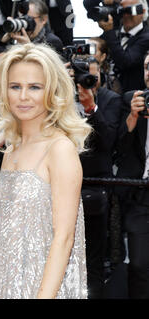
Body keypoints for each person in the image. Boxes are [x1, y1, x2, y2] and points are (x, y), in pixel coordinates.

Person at [0, 43, 91, 299]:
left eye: (34, 87)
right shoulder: (12, 149)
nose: (23, 96)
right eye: (15, 86)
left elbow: (64, 239)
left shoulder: (60, 149)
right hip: (1, 286)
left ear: (52, 91)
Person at [76, 57, 124, 298]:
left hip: (96, 187)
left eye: (92, 77)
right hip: (65, 183)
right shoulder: (61, 99)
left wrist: (91, 109)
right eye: (82, 76)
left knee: (94, 257)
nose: (87, 82)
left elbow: (107, 142)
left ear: (101, 76)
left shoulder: (111, 100)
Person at [115, 51, 149, 298]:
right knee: (137, 264)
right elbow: (119, 151)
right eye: (147, 67)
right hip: (141, 196)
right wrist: (132, 118)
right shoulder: (134, 101)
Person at [96, 0, 149, 93]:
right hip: (107, 94)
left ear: (143, 11)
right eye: (122, 11)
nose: (126, 15)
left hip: (132, 95)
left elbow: (125, 61)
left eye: (130, 11)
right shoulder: (115, 32)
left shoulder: (146, 37)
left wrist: (109, 32)